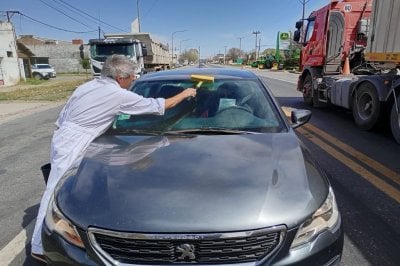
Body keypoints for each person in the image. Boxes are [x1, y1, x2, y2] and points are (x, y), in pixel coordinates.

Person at [31, 54, 196, 262]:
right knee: (58, 189)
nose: (134, 80)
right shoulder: (116, 95)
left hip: (65, 135)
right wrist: (185, 93)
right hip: (76, 141)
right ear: (120, 77)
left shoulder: (87, 86)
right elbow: (158, 106)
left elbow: (66, 115)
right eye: (132, 77)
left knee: (66, 184)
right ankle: (38, 245)